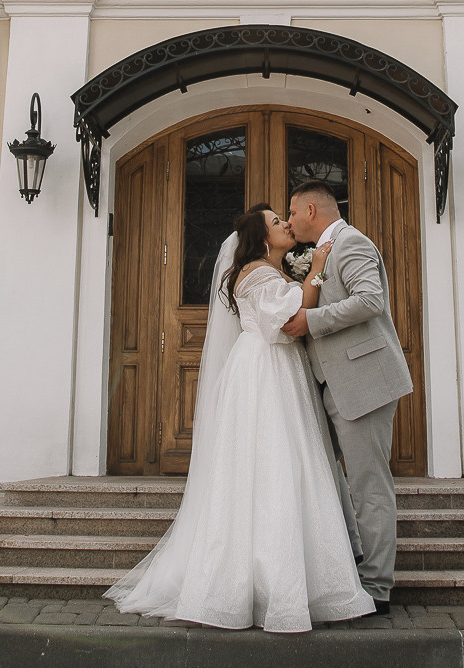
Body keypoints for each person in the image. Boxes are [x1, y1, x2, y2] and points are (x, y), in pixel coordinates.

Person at [104, 202, 375, 632]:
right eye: (276, 222)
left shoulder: (269, 272)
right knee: (271, 464)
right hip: (264, 373)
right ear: (263, 237)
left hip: (279, 371)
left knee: (285, 465)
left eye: (284, 218)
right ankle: (258, 584)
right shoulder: (258, 274)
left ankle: (293, 577)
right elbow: (289, 320)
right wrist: (318, 270)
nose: (286, 224)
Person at [281, 180, 413, 613]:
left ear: (312, 212)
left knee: (369, 486)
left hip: (363, 381)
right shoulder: (323, 250)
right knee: (332, 479)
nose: (290, 220)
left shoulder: (351, 242)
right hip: (330, 383)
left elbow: (370, 300)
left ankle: (377, 586)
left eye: (293, 212)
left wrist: (311, 321)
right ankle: (353, 561)